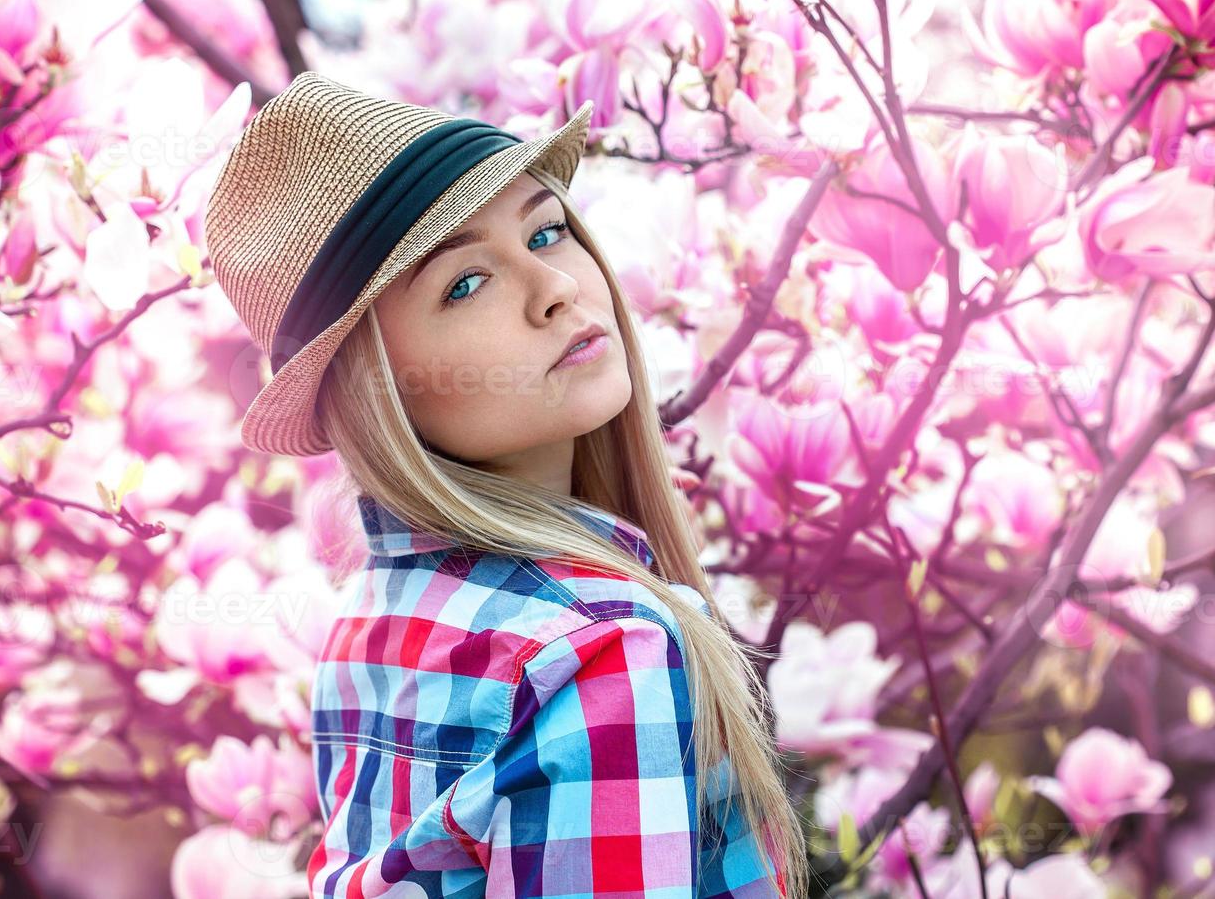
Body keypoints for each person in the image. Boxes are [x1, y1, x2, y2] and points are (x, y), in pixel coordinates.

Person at [203, 71, 809, 898]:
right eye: (465, 284)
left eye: (547, 232)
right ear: (379, 389)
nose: (554, 289)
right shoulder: (602, 649)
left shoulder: (374, 623)